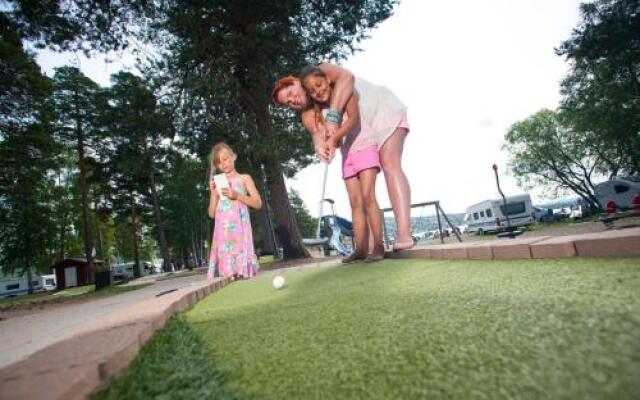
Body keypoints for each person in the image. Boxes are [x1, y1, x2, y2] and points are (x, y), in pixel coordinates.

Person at [272, 63, 414, 252]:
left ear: (296, 81)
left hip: (381, 110)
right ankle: (371, 246)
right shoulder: (308, 115)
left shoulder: (321, 71)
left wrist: (333, 117)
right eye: (288, 103)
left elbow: (347, 77)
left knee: (390, 162)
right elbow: (320, 137)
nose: (293, 101)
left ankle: (404, 233)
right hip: (360, 137)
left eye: (290, 93)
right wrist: (322, 147)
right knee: (361, 192)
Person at [300, 66, 384, 263]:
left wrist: (335, 136)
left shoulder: (344, 93)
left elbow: (354, 119)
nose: (317, 92)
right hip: (348, 156)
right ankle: (361, 249)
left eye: (319, 85)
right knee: (355, 202)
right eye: (312, 91)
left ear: (327, 80)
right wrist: (330, 147)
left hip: (364, 146)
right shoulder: (320, 112)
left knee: (368, 196)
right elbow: (332, 140)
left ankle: (378, 246)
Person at [207, 142, 262, 280]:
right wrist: (213, 194)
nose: (223, 164)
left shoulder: (244, 178)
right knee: (228, 271)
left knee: (241, 254)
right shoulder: (218, 183)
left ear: (234, 157)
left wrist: (237, 195)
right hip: (224, 232)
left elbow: (258, 203)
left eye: (225, 159)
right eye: (218, 162)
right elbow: (211, 214)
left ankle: (243, 270)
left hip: (241, 229)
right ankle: (229, 273)